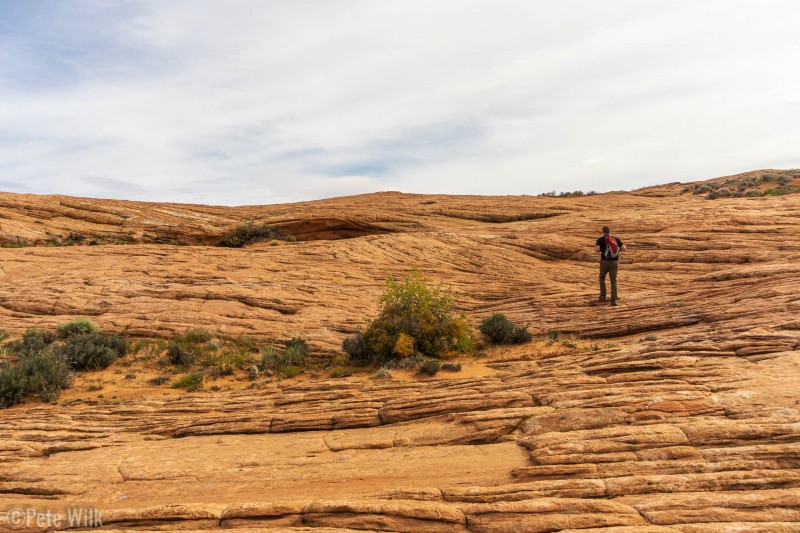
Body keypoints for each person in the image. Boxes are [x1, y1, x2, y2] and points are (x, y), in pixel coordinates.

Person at [595, 226, 626, 306]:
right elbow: (624, 248)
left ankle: (603, 295)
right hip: (614, 263)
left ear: (603, 231)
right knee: (613, 281)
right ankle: (613, 300)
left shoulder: (600, 239)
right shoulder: (615, 239)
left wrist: (602, 250)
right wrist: (617, 252)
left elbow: (597, 249)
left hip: (604, 262)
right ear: (610, 231)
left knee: (602, 277)